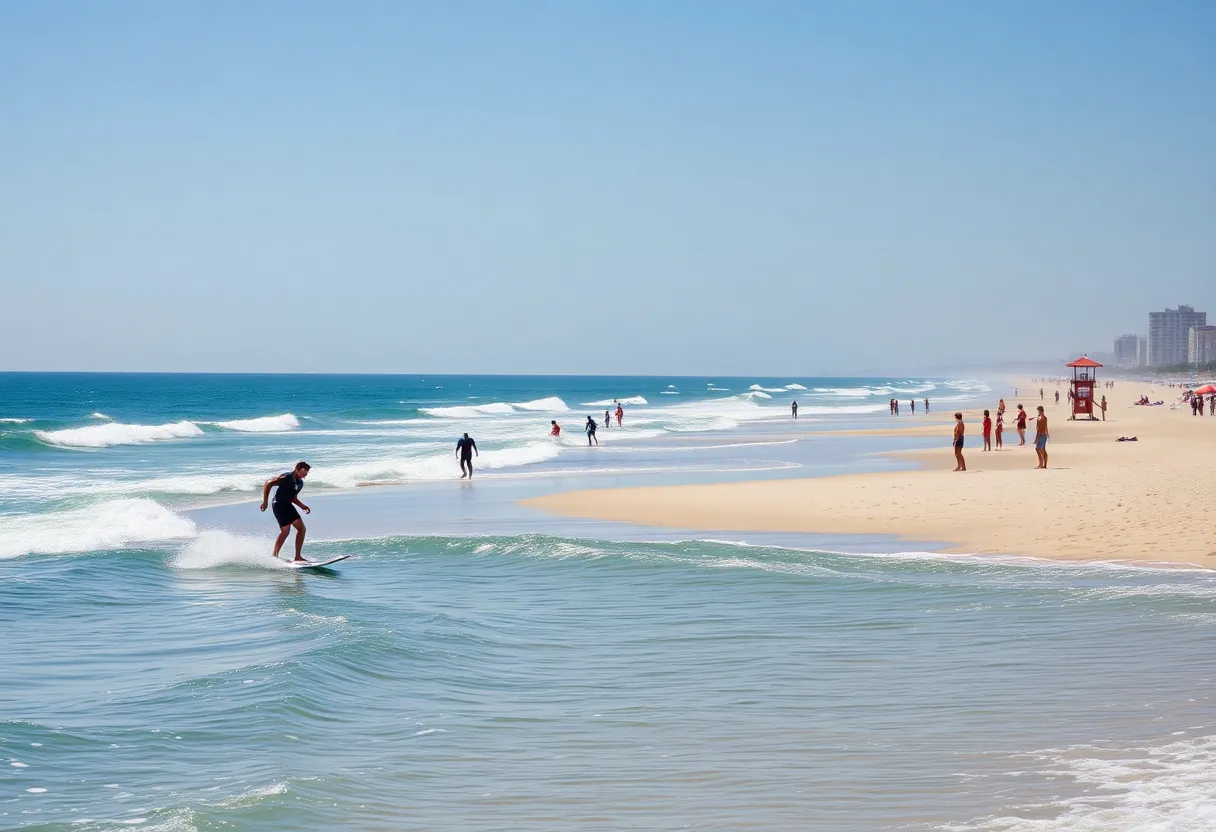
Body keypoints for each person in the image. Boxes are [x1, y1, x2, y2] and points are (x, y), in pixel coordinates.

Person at [260, 461, 311, 562]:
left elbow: (293, 497)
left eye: (307, 473)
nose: (305, 475)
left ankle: (297, 557)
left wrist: (302, 506)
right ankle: (274, 556)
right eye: (304, 472)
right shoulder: (285, 477)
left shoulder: (300, 483)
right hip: (278, 504)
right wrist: (265, 502)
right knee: (286, 531)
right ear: (297, 469)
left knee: (302, 529)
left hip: (288, 505)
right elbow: (268, 484)